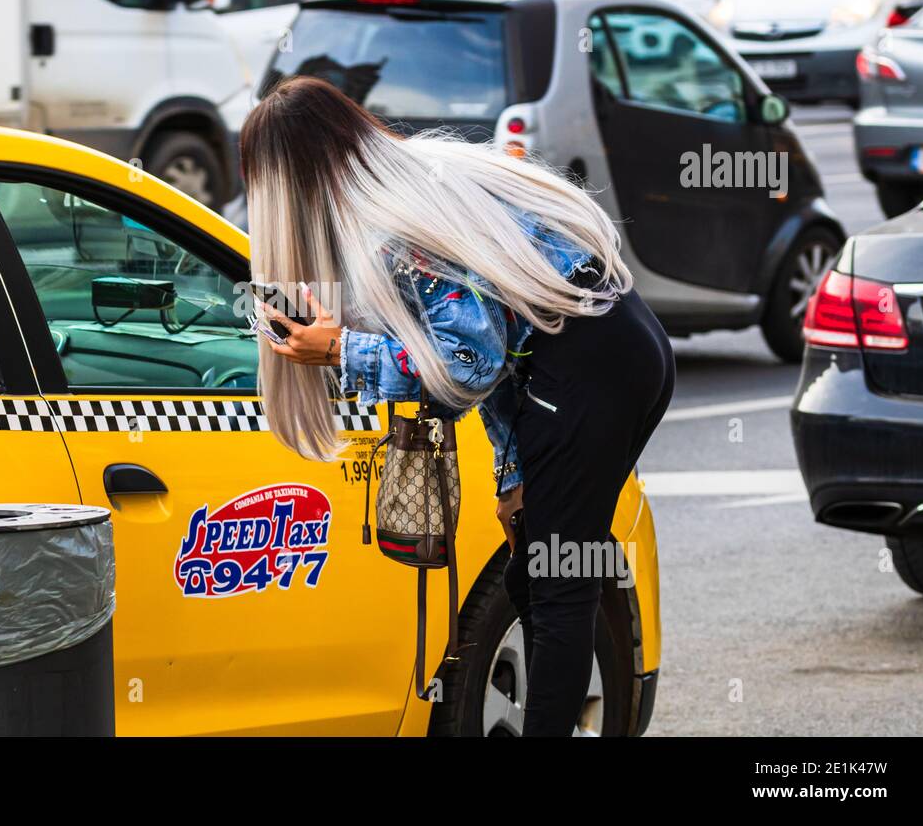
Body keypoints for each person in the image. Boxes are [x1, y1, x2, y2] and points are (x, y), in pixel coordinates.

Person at [239, 75, 674, 736]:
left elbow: (469, 366)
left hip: (585, 372)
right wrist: (516, 476)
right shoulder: (423, 175)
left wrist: (340, 352)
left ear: (288, 178)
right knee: (543, 575)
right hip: (620, 346)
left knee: (555, 588)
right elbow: (512, 334)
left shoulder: (395, 233)